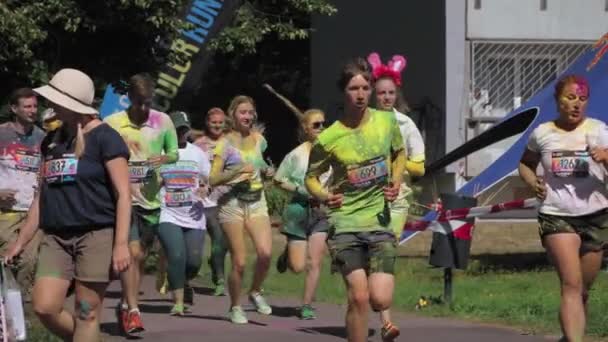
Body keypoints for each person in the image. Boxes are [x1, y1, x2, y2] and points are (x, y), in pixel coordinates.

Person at [4, 68, 131, 341]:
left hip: (96, 235)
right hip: (56, 238)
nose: (49, 107)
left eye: (54, 101)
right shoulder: (51, 141)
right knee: (44, 307)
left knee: (86, 312)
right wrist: (21, 242)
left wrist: (121, 244)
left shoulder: (106, 138)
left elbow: (124, 194)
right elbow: (42, 197)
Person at [305, 58, 406, 342]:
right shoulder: (329, 137)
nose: (360, 94)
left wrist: (396, 182)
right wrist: (325, 196)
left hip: (379, 219)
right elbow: (310, 178)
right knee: (358, 297)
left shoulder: (386, 121)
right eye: (353, 88)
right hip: (345, 222)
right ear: (344, 92)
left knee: (380, 298)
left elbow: (399, 153)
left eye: (365, 87)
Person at [519, 75, 608, 342]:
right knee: (571, 283)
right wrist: (532, 181)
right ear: (558, 100)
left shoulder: (600, 130)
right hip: (556, 215)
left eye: (582, 99)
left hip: (596, 215)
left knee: (582, 290)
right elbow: (525, 163)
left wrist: (605, 158)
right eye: (570, 98)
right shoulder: (543, 133)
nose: (576, 105)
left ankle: (569, 337)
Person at [104, 73, 179, 335]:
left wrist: (163, 160)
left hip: (152, 199)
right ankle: (134, 311)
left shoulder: (163, 121)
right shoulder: (113, 123)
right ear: (130, 100)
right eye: (139, 103)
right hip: (124, 198)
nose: (145, 109)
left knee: (140, 258)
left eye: (148, 103)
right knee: (133, 253)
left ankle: (126, 304)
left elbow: (174, 153)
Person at [368, 52, 426, 340]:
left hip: (398, 196)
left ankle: (386, 322)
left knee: (387, 250)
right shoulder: (362, 123)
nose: (386, 97)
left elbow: (420, 166)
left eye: (391, 93)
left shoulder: (405, 125)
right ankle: (369, 294)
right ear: (373, 94)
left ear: (396, 94)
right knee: (369, 253)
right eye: (381, 93)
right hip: (365, 197)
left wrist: (397, 163)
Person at [209, 95, 275, 324]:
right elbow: (213, 178)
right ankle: (235, 306)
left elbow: (262, 164)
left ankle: (255, 291)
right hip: (232, 204)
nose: (247, 116)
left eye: (250, 112)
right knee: (240, 261)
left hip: (257, 201)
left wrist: (267, 171)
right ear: (233, 116)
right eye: (242, 112)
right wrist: (237, 171)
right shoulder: (224, 144)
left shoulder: (259, 139)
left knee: (266, 254)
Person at [274, 108, 330, 320]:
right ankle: (288, 253)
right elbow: (278, 180)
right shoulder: (296, 155)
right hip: (297, 210)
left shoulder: (330, 152)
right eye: (316, 125)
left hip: (320, 212)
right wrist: (300, 190)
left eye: (323, 124)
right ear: (306, 129)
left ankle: (306, 305)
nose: (321, 128)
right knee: (298, 267)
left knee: (314, 262)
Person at [158, 111, 210, 315]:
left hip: (194, 215)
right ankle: (178, 302)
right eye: (176, 129)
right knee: (177, 255)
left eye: (183, 130)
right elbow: (150, 181)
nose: (180, 134)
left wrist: (206, 188)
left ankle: (183, 281)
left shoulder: (197, 153)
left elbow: (208, 180)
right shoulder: (161, 152)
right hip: (168, 213)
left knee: (193, 262)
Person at [0, 88, 46, 297]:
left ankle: (20, 314)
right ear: (14, 108)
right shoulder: (2, 134)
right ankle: (6, 312)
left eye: (35, 106)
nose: (32, 110)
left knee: (29, 261)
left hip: (33, 212)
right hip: (5, 212)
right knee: (6, 261)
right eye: (27, 106)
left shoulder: (43, 139)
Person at [194, 107, 230, 296]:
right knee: (194, 246)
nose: (217, 125)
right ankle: (182, 278)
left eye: (220, 122)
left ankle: (220, 279)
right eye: (213, 122)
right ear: (207, 123)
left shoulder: (230, 143)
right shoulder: (198, 145)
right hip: (200, 203)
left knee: (220, 243)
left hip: (221, 201)